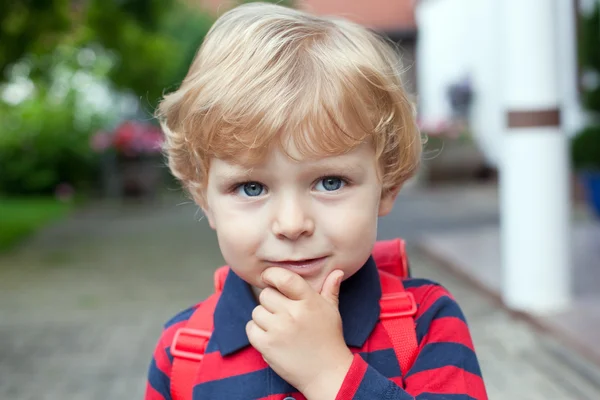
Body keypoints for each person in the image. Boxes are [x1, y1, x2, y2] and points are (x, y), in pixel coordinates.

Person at [144, 2, 488, 399]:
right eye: (251, 188)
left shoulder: (426, 322)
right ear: (204, 200)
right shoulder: (181, 353)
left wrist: (329, 374)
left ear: (388, 186)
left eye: (329, 182)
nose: (291, 224)